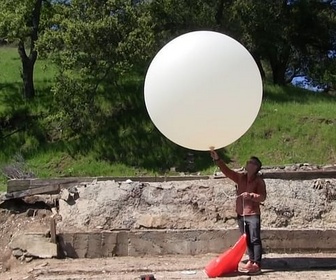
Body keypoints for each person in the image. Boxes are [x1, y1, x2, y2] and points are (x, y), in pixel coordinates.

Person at [210, 149, 266, 275]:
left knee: (255, 239)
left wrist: (251, 196)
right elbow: (227, 172)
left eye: (250, 162)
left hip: (252, 214)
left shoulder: (259, 181)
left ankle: (257, 263)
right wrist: (217, 159)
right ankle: (251, 261)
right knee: (246, 239)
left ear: (255, 167)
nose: (247, 163)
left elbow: (263, 197)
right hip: (241, 214)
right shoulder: (241, 177)